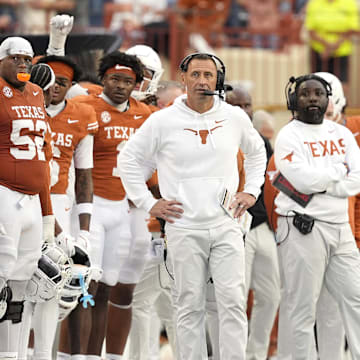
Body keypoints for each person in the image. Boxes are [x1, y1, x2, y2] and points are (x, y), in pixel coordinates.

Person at [118, 53, 267, 360]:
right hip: (183, 227)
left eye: (208, 75)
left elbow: (256, 154)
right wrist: (149, 203)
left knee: (233, 302)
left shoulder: (234, 116)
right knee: (188, 304)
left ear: (218, 80)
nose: (202, 81)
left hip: (227, 225)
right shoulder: (162, 120)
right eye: (196, 74)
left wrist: (251, 191)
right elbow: (128, 160)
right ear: (183, 78)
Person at [73, 51, 152, 360]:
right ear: (103, 78)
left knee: (107, 286)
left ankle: (96, 355)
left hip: (122, 207)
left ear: (136, 84)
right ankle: (73, 355)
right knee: (84, 288)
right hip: (90, 206)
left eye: (127, 81)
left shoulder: (144, 113)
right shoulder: (85, 106)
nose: (120, 86)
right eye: (115, 79)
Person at [274, 74, 360, 358]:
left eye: (318, 94)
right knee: (302, 308)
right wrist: (338, 174)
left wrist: (323, 182)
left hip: (341, 229)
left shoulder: (343, 134)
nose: (312, 99)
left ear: (328, 100)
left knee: (355, 300)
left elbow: (357, 180)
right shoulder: (288, 135)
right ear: (293, 100)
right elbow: (300, 181)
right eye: (305, 94)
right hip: (302, 229)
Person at [0, 36, 54, 358]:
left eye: (27, 60)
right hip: (4, 193)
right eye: (16, 58)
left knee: (21, 285)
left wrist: (48, 216)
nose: (23, 64)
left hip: (32, 199)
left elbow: (42, 158)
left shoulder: (35, 93)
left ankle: (12, 355)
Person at [305, 0, 360, 94]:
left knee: (342, 85)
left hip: (342, 51)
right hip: (318, 51)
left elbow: (354, 29)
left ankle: (340, 107)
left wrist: (332, 46)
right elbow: (310, 30)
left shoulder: (349, 3)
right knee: (317, 84)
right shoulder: (314, 3)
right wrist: (327, 45)